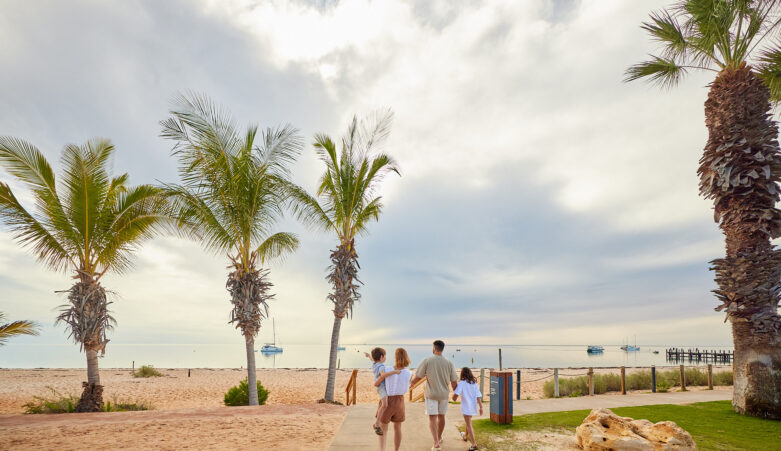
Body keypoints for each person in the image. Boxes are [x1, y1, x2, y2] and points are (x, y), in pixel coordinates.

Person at [409, 340, 458, 451]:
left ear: (434, 348)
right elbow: (454, 382)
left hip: (431, 394)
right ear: (442, 349)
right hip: (444, 394)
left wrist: (411, 384)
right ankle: (439, 437)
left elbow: (418, 376)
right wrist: (456, 393)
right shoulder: (449, 362)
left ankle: (436, 443)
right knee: (442, 416)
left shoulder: (427, 360)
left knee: (432, 418)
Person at [376, 348, 412, 451]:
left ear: (395, 357)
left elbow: (378, 381)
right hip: (400, 401)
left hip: (388, 400)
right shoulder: (409, 373)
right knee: (398, 428)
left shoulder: (387, 369)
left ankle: (382, 449)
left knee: (383, 428)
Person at [365, 348, 400, 435]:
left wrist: (369, 356)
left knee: (384, 404)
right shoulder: (381, 366)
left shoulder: (375, 363)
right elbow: (383, 375)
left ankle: (377, 423)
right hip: (382, 387)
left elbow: (372, 359)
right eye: (385, 356)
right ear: (381, 357)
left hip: (381, 387)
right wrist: (394, 372)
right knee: (385, 405)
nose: (385, 358)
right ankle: (377, 424)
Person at [452, 367, 483, 451]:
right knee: (468, 422)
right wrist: (481, 407)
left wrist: (453, 394)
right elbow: (478, 396)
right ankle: (465, 436)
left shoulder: (462, 383)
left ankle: (474, 444)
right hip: (473, 407)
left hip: (466, 407)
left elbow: (454, 398)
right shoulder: (474, 383)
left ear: (462, 374)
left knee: (469, 424)